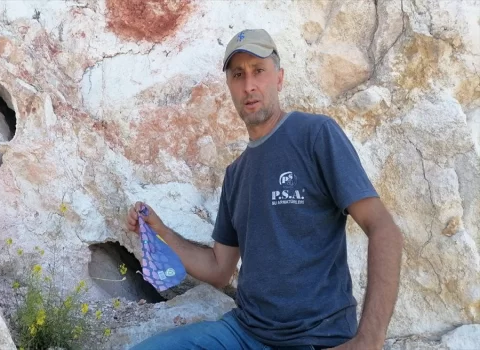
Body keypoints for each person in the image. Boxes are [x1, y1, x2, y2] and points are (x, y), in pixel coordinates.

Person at [125, 29, 403, 350]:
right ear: (229, 86)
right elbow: (219, 269)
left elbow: (384, 229)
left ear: (279, 78)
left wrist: (368, 341)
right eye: (238, 75)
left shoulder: (315, 135)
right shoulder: (236, 173)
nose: (249, 85)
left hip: (315, 338)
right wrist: (160, 231)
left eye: (259, 71)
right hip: (245, 333)